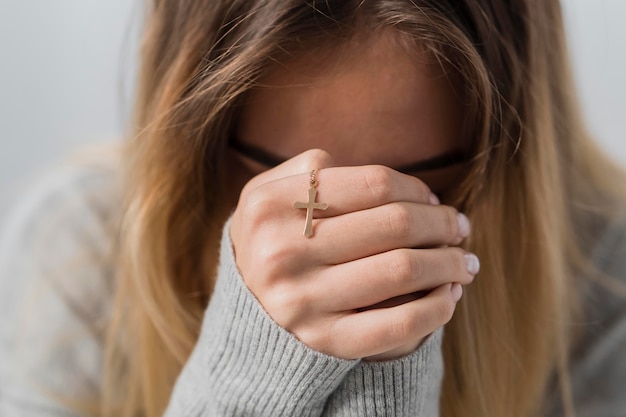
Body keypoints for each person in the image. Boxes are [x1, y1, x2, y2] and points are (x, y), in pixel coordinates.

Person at [1, 0, 625, 416]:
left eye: (419, 183)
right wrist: (247, 380)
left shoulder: (606, 281)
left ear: (513, 157)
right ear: (191, 148)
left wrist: (390, 364)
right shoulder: (77, 255)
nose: (350, 240)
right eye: (276, 179)